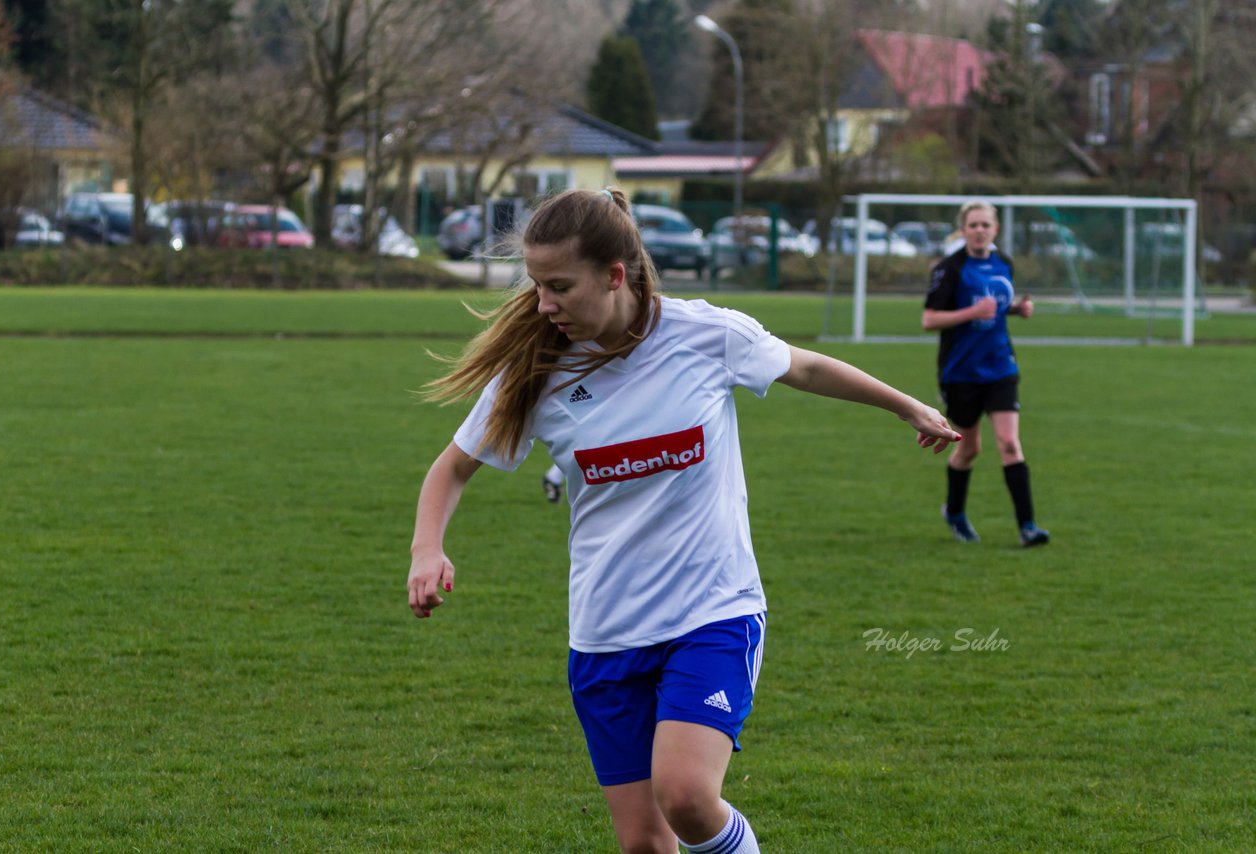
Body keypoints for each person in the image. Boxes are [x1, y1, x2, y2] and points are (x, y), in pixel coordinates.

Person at [408, 187, 961, 854]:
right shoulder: (538, 370)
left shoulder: (708, 335)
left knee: (688, 798)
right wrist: (426, 550)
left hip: (711, 612)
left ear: (615, 275)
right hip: (606, 630)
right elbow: (452, 468)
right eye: (534, 285)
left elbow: (806, 366)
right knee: (644, 843)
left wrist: (907, 407)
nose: (543, 303)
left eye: (558, 285)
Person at [922, 199, 1050, 548]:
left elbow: (994, 304)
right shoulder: (950, 268)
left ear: (996, 229)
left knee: (1010, 443)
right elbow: (929, 319)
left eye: (985, 225)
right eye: (973, 225)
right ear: (963, 230)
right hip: (960, 371)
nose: (979, 231)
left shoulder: (1003, 263)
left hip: (1000, 366)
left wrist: (1016, 310)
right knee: (969, 449)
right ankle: (956, 513)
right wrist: (971, 312)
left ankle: (1028, 527)